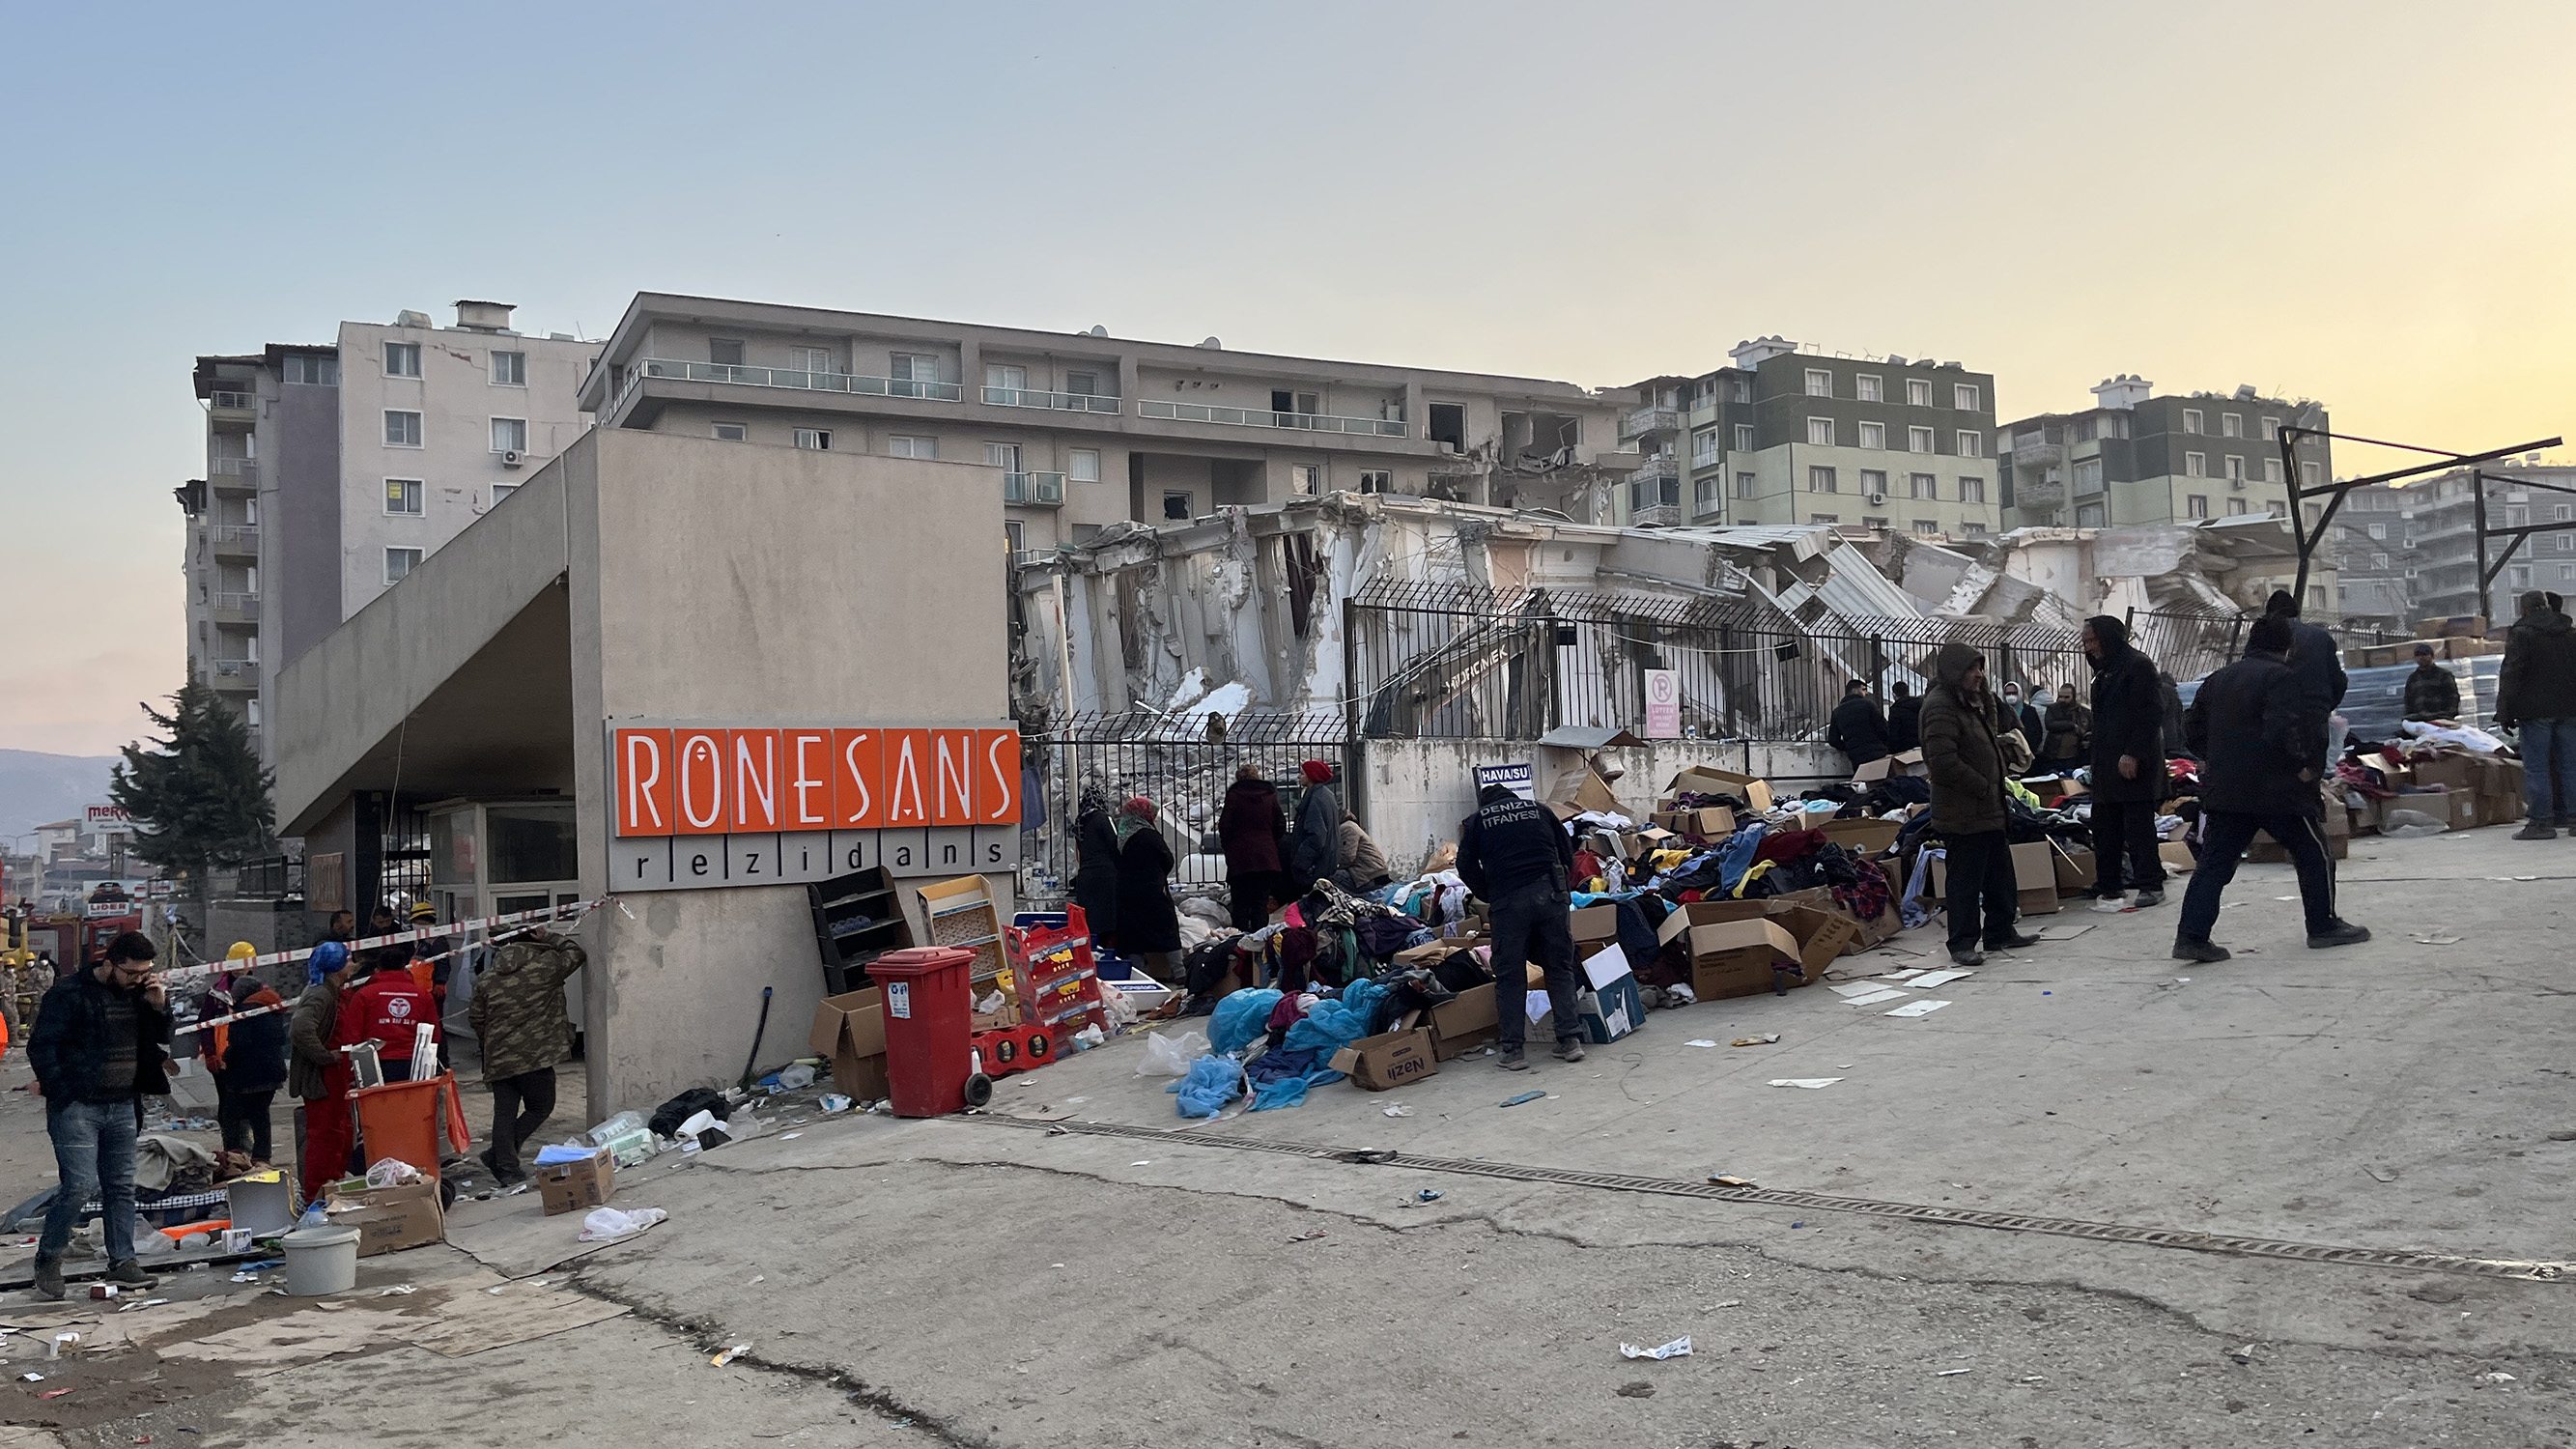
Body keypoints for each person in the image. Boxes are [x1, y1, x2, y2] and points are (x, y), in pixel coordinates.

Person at [2173, 615, 2371, 963]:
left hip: (2227, 789)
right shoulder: (2283, 678)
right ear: (2287, 647)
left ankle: (2191, 937)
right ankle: (2322, 925)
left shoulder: (2218, 679)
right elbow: (2284, 728)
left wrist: (2216, 759)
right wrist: (2303, 766)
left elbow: (2191, 728)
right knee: (2314, 854)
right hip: (2278, 790)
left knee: (2214, 865)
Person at [24, 930, 168, 1300]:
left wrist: (157, 1004)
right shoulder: (69, 994)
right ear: (110, 964)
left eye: (145, 973)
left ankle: (123, 1261)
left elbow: (159, 1040)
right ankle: (49, 1256)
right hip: (77, 1107)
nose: (138, 979)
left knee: (120, 1186)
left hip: (122, 1104)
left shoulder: (140, 994)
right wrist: (62, 1090)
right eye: (131, 973)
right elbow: (42, 1046)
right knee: (80, 1185)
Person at [1920, 642, 2042, 967]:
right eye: (1973, 669)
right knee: (1965, 880)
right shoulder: (1941, 707)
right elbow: (1943, 762)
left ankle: (2000, 931)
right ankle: (1962, 942)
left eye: (1981, 668)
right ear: (1955, 672)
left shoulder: (1972, 703)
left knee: (1999, 875)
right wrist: (1983, 785)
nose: (1979, 675)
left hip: (1988, 807)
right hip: (1963, 811)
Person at [1456, 783, 1585, 1070]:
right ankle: (1569, 1041)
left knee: (1510, 975)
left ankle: (1513, 1051)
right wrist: (1560, 884)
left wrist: (1489, 893)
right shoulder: (1540, 811)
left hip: (1508, 902)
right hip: (1551, 895)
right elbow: (1567, 852)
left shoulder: (1478, 820)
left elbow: (1464, 865)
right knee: (1559, 966)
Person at [468, 925, 587, 1187]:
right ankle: (502, 1155)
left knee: (504, 1113)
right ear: (533, 943)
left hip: (499, 1057)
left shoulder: (487, 979)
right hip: (535, 1055)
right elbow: (575, 952)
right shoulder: (545, 968)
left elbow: (476, 1018)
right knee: (540, 1106)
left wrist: (492, 1043)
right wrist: (549, 936)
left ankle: (506, 1165)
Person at [2082, 615, 2168, 906]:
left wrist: (2133, 752)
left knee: (2138, 826)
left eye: (2092, 640)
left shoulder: (2137, 666)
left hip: (2132, 763)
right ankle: (2109, 883)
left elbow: (2150, 714)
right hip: (2106, 763)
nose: (2088, 647)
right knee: (2105, 826)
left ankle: (2150, 883)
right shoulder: (2104, 672)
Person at [2496, 588, 2576, 838]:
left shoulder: (2522, 634)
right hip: (2569, 709)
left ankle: (2541, 823)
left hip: (2534, 711)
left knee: (2537, 768)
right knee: (2570, 766)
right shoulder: (2570, 633)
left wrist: (2504, 711)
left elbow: (2511, 673)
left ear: (2525, 609)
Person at [290, 940, 357, 1202]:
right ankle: (317, 1193)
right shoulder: (321, 994)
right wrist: (325, 1057)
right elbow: (300, 1027)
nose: (351, 965)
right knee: (324, 1135)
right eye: (347, 960)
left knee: (339, 1131)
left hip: (334, 1074)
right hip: (324, 1076)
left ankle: (332, 1185)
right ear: (336, 966)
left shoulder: (330, 990)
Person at [209, 973, 288, 1165]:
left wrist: (226, 1057)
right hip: (271, 1073)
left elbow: (239, 1042)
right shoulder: (271, 1008)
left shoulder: (246, 1012)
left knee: (230, 1115)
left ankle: (233, 1155)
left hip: (248, 1075)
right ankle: (262, 1156)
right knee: (260, 1115)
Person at [335, 941, 441, 1083]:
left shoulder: (364, 995)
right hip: (413, 1065)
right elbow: (434, 1035)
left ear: (377, 970)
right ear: (405, 969)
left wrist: (349, 1070)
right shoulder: (422, 995)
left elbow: (352, 1035)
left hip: (373, 1064)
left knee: (377, 1104)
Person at [2265, 590, 2349, 769]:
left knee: (2282, 771)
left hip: (2278, 716)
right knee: (2312, 771)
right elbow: (2338, 680)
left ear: (2270, 613)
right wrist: (2324, 705)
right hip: (2315, 713)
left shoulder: (2265, 639)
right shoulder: (2320, 637)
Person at [1111, 797, 1182, 979]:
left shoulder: (1122, 837)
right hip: (1153, 891)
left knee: (1133, 936)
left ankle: (1139, 974)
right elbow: (1168, 860)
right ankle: (1179, 971)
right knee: (1167, 930)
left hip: (1128, 894)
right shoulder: (1150, 835)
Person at [1216, 765, 1289, 932]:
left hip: (1240, 860)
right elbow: (1280, 825)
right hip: (1266, 858)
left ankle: (1239, 944)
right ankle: (1259, 943)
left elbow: (1225, 827)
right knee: (1260, 903)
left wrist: (1230, 848)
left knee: (1240, 904)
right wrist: (1269, 843)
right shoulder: (1269, 795)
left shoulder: (1234, 796)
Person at [1068, 788, 1121, 940]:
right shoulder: (1103, 818)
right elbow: (1115, 844)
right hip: (1106, 876)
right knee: (1109, 922)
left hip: (1086, 877)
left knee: (1091, 924)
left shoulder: (1080, 822)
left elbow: (1079, 853)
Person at [1289, 760, 1342, 895]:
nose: (1299, 777)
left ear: (1311, 776)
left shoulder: (1316, 798)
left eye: (1302, 773)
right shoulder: (1326, 795)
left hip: (1315, 866)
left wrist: (1301, 863)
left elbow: (1316, 835)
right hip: (1326, 861)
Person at [1826, 679, 1893, 772]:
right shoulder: (1869, 705)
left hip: (1856, 757)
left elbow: (1833, 740)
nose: (1865, 693)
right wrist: (1882, 744)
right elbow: (1883, 728)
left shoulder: (1837, 712)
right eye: (1863, 689)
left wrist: (1849, 747)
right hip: (1877, 752)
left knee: (1863, 783)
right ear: (1854, 690)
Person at [2400, 643, 2461, 724]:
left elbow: (2453, 696)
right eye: (2418, 655)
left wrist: (2449, 714)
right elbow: (2408, 700)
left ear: (2432, 656)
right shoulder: (2413, 678)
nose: (2421, 657)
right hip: (2419, 719)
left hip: (2441, 717)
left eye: (2425, 654)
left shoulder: (2443, 675)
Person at [1335, 812, 1393, 894]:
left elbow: (1347, 857)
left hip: (1369, 876)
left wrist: (1331, 865)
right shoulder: (1351, 826)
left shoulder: (1347, 828)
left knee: (1328, 877)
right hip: (1374, 874)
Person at [2036, 682, 2087, 772]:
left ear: (2073, 696)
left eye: (2067, 697)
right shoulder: (2053, 709)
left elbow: (2086, 727)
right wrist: (2071, 725)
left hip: (2073, 755)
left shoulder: (2081, 711)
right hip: (2054, 754)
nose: (2063, 700)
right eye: (2061, 696)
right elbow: (2050, 725)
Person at [1999, 684, 2043, 757]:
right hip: (2007, 754)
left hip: (2027, 752)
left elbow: (2037, 732)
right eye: (2008, 693)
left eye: (2014, 693)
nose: (2011, 695)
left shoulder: (2029, 711)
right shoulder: (2001, 711)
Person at [2158, 670, 2190, 759]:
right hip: (2175, 737)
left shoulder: (2163, 689)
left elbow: (2160, 711)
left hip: (2166, 738)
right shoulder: (2173, 692)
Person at [1885, 680, 1923, 754]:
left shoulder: (1896, 709)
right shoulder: (1921, 703)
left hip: (1906, 747)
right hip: (1922, 742)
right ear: (1907, 692)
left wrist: (1892, 750)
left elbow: (1894, 732)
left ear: (1894, 695)